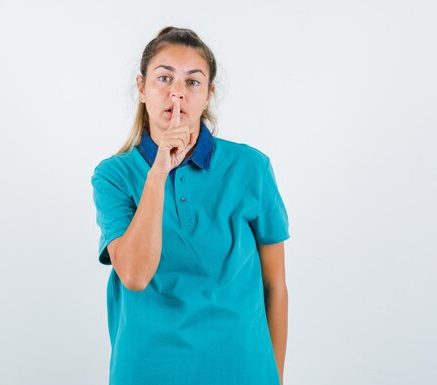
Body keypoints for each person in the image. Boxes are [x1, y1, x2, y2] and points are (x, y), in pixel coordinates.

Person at [90, 26, 290, 385]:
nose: (177, 93)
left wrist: (274, 377)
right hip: (147, 370)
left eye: (193, 82)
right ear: (142, 89)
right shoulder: (114, 176)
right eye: (164, 78)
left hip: (243, 370)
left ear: (209, 94)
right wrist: (158, 172)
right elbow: (134, 276)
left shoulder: (251, 168)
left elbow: (275, 285)